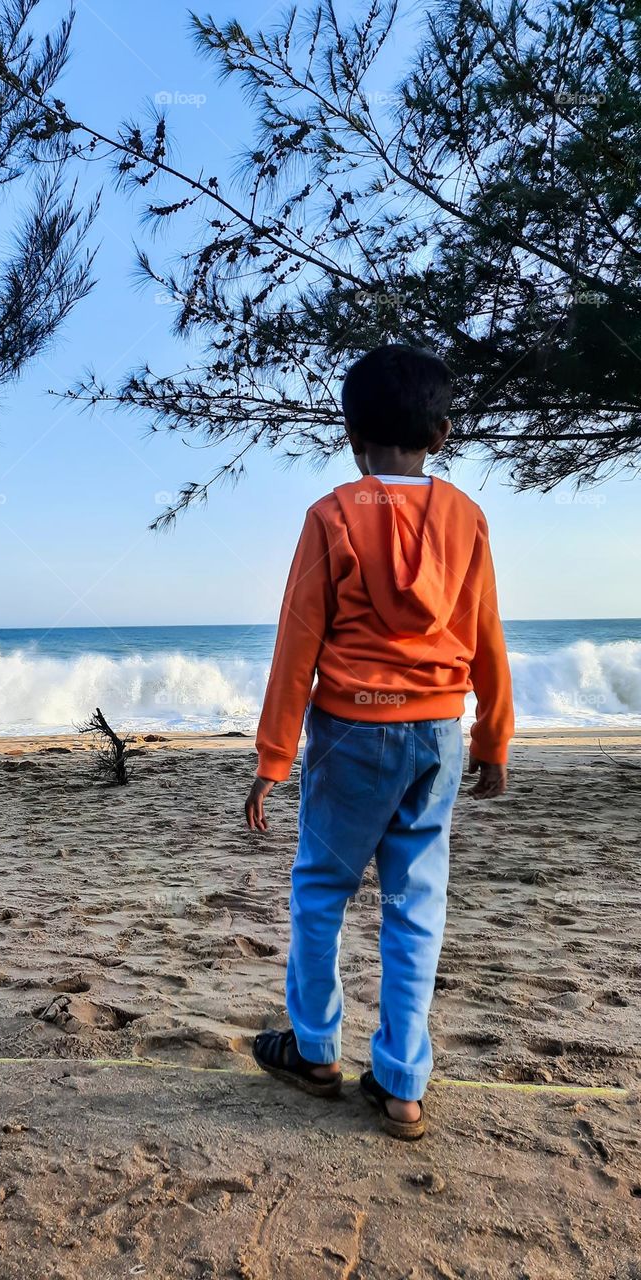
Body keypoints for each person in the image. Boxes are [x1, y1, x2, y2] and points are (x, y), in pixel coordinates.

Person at [245, 344, 513, 1140]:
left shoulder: (332, 515)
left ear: (351, 435)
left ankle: (316, 1048)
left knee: (322, 887)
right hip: (437, 734)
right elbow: (487, 637)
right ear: (442, 431)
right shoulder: (467, 518)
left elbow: (298, 642)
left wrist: (273, 758)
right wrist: (494, 736)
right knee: (414, 903)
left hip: (351, 732)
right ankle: (400, 1084)